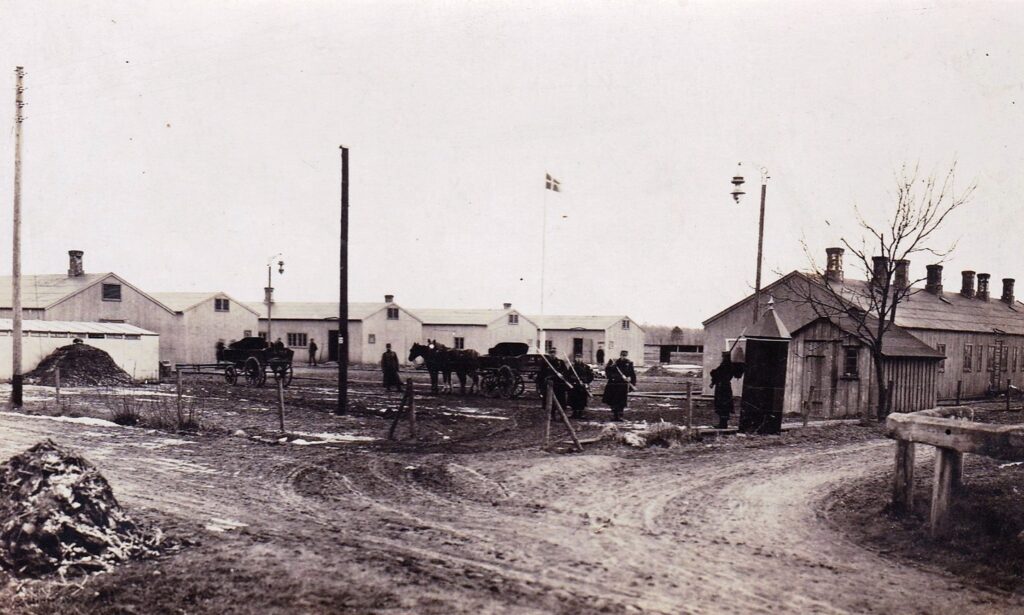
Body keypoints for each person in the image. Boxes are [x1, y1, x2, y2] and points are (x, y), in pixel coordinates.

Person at [602, 350, 636, 421]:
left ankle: (620, 416)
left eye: (625, 356)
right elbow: (608, 372)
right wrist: (617, 376)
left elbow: (632, 373)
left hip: (623, 385)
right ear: (620, 355)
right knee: (614, 400)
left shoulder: (629, 363)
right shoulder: (615, 363)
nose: (623, 357)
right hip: (614, 385)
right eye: (622, 355)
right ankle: (615, 415)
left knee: (622, 401)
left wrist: (630, 378)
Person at [538, 347, 570, 419]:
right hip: (549, 385)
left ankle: (562, 416)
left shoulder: (560, 362)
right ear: (549, 354)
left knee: (561, 400)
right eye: (551, 353)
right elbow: (541, 374)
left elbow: (566, 372)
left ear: (556, 354)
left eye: (554, 353)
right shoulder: (546, 363)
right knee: (550, 401)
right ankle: (552, 415)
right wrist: (542, 383)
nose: (552, 354)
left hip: (558, 385)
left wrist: (562, 375)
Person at [710, 352, 736, 429]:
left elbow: (717, 374)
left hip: (723, 388)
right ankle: (722, 423)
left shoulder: (726, 366)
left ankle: (723, 424)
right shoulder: (727, 366)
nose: (722, 358)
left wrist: (713, 373)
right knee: (723, 405)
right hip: (724, 387)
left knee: (723, 405)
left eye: (723, 356)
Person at [566, 353, 595, 419]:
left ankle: (580, 413)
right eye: (577, 357)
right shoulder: (572, 367)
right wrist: (572, 380)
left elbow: (591, 376)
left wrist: (586, 382)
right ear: (575, 358)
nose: (578, 359)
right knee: (573, 400)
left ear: (582, 358)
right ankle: (574, 413)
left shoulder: (586, 367)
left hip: (582, 386)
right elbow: (568, 376)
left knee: (582, 400)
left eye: (580, 358)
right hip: (574, 386)